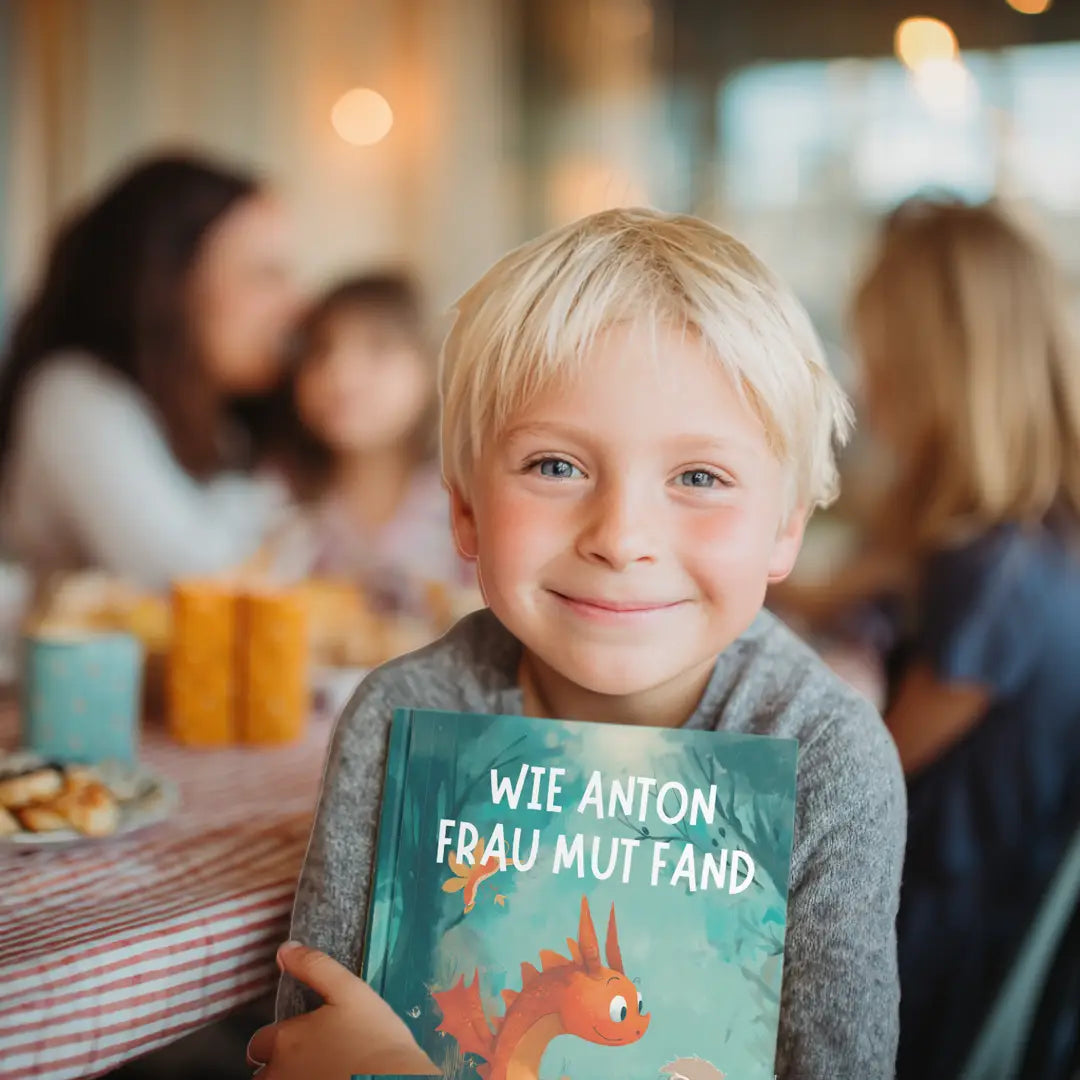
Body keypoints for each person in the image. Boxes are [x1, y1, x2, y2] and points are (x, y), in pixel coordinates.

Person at [252, 208, 906, 1079]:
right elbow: (308, 1044)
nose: (622, 537)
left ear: (785, 530)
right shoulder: (404, 719)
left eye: (699, 477)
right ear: (466, 509)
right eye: (556, 466)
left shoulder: (825, 758)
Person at [778, 198, 1080, 1080]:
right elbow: (830, 590)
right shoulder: (1016, 535)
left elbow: (866, 767)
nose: (862, 380)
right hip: (967, 889)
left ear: (936, 364)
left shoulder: (991, 573)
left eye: (875, 349)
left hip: (945, 937)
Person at [0, 152, 301, 589]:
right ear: (173, 286)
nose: (297, 304)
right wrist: (281, 495)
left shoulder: (220, 424)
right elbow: (190, 578)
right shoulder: (74, 398)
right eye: (264, 275)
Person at [270, 273, 473, 614]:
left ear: (433, 365)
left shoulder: (466, 502)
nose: (341, 373)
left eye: (378, 348)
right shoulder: (280, 500)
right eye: (322, 351)